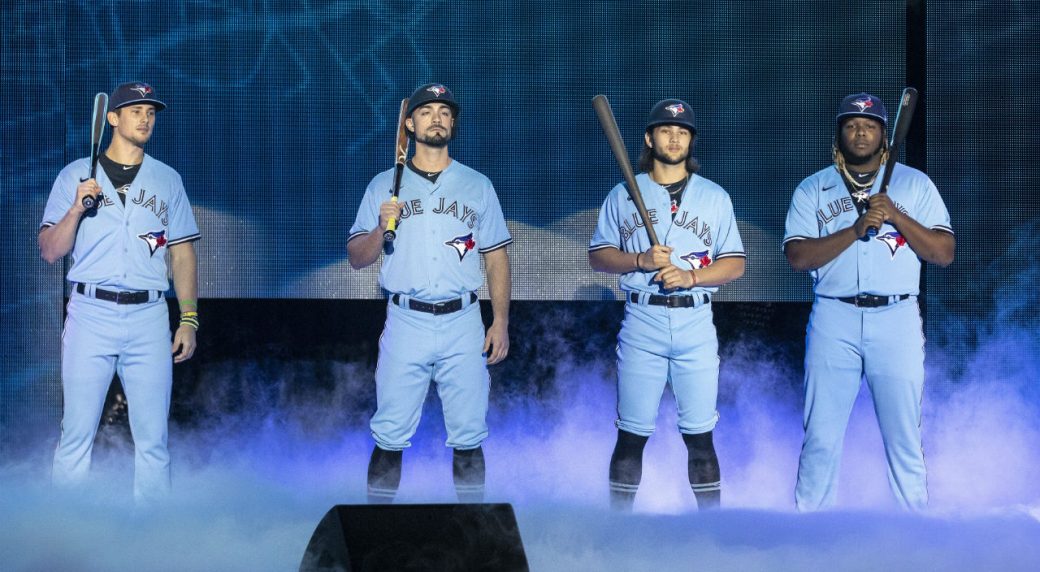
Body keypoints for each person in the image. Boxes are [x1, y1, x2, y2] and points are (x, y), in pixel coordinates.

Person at [784, 92, 954, 511]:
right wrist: (856, 229)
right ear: (840, 133)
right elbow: (798, 257)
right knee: (820, 436)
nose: (860, 132)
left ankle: (914, 533)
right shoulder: (814, 187)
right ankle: (808, 534)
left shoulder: (914, 184)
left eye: (870, 126)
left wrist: (897, 215)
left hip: (896, 317)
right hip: (833, 316)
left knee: (904, 438)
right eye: (852, 125)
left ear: (884, 137)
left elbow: (943, 253)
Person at [348, 83, 512, 503]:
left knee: (469, 436)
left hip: (463, 321)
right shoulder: (384, 186)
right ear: (409, 123)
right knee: (389, 434)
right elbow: (357, 257)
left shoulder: (477, 185)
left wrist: (501, 322)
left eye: (444, 111)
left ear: (452, 122)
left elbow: (495, 257)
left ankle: (475, 535)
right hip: (407, 319)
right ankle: (376, 533)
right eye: (426, 111)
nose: (436, 117)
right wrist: (379, 226)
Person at [39, 82, 200, 505]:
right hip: (90, 311)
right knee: (75, 435)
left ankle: (151, 541)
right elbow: (51, 251)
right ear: (112, 118)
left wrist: (188, 319)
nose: (146, 118)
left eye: (150, 112)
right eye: (135, 111)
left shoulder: (167, 179)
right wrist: (76, 208)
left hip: (148, 315)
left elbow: (182, 254)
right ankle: (66, 536)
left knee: (154, 441)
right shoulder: (76, 174)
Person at [589, 99, 745, 510]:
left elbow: (735, 264)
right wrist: (639, 260)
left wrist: (691, 276)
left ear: (690, 140)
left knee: (700, 436)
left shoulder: (714, 196)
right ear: (649, 138)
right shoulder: (624, 193)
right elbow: (599, 255)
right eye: (665, 130)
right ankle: (618, 529)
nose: (674, 137)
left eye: (682, 132)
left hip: (694, 319)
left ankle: (711, 532)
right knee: (631, 434)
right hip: (643, 318)